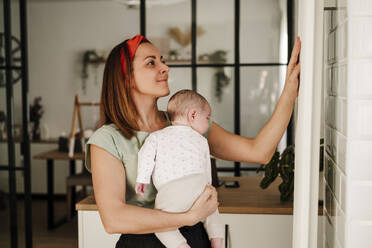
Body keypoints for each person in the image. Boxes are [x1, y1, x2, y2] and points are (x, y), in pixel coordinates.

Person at [85, 34, 301, 248]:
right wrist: (188, 217)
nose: (165, 68)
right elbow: (114, 219)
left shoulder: (188, 123)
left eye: (163, 60)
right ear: (126, 77)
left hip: (196, 239)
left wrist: (290, 91)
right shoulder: (107, 140)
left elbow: (259, 152)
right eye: (151, 63)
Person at [135, 89, 224, 248]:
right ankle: (217, 242)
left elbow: (145, 155)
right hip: (199, 185)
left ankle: (181, 246)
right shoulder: (201, 140)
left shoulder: (157, 136)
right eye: (207, 117)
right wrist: (208, 190)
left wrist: (142, 178)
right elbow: (206, 167)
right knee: (212, 213)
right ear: (193, 115)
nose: (208, 121)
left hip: (171, 191)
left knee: (162, 225)